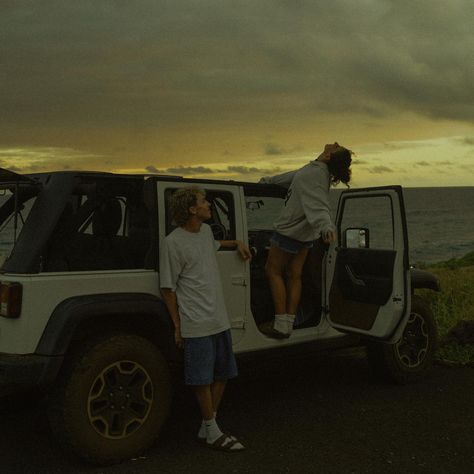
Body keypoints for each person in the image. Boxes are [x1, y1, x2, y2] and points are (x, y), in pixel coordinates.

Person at [160, 187, 252, 451]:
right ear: (191, 209)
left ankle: (208, 424)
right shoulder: (172, 242)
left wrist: (236, 243)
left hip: (218, 317)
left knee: (222, 373)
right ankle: (212, 430)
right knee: (201, 378)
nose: (208, 204)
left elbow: (213, 245)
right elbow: (168, 288)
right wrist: (178, 325)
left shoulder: (207, 232)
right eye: (203, 201)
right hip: (196, 320)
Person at [260, 142, 353, 338]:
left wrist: (326, 226)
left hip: (289, 232)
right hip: (305, 234)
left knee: (273, 271)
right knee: (294, 275)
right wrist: (269, 181)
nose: (334, 143)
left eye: (336, 147)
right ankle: (289, 322)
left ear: (328, 156)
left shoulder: (315, 174)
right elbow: (293, 177)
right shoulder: (315, 171)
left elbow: (319, 205)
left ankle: (280, 322)